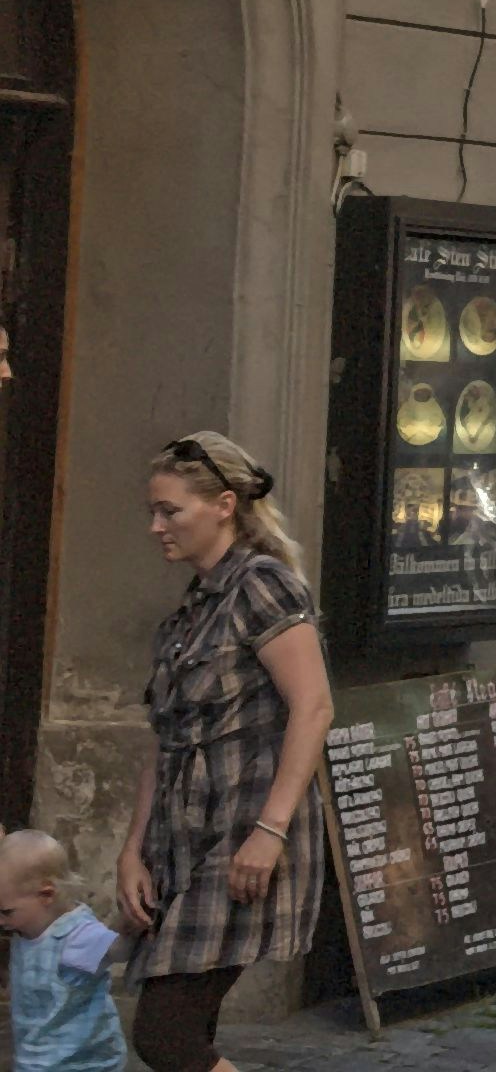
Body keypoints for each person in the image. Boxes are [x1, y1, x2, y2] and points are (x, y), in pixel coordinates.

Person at [116, 434, 329, 1072]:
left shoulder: (263, 588)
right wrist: (132, 850)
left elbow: (313, 707)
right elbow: (165, 739)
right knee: (187, 1027)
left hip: (243, 834)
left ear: (224, 505)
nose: (156, 526)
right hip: (181, 839)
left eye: (170, 511)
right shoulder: (187, 614)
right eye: (153, 511)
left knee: (166, 1036)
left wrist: (269, 832)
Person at [6, 830, 121, 1072]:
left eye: (6, 912)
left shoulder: (75, 935)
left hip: (82, 1063)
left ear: (46, 894)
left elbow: (117, 950)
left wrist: (131, 923)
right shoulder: (24, 929)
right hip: (37, 1058)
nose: (0, 921)